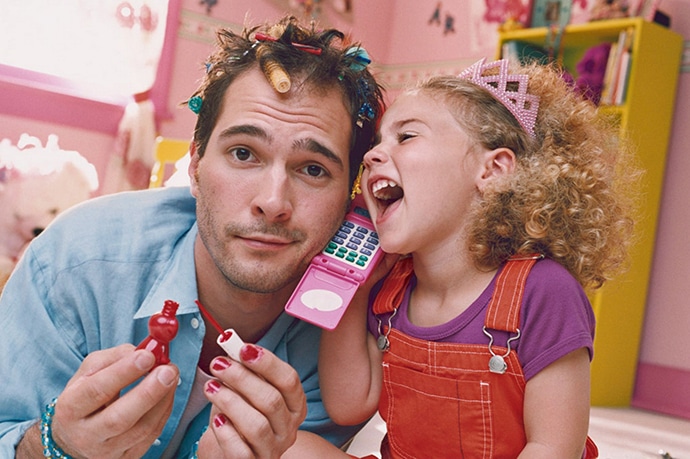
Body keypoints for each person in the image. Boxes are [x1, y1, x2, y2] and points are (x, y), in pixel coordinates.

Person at [0, 15, 384, 458]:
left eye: (313, 169)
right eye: (244, 153)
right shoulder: (75, 262)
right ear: (196, 166)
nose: (273, 201)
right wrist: (51, 445)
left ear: (351, 196)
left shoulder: (345, 350)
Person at [314, 58, 641, 457]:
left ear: (494, 171)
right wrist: (354, 286)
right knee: (286, 446)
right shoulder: (390, 291)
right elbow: (349, 404)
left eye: (407, 137)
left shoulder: (543, 292)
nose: (372, 156)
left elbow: (555, 447)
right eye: (376, 143)